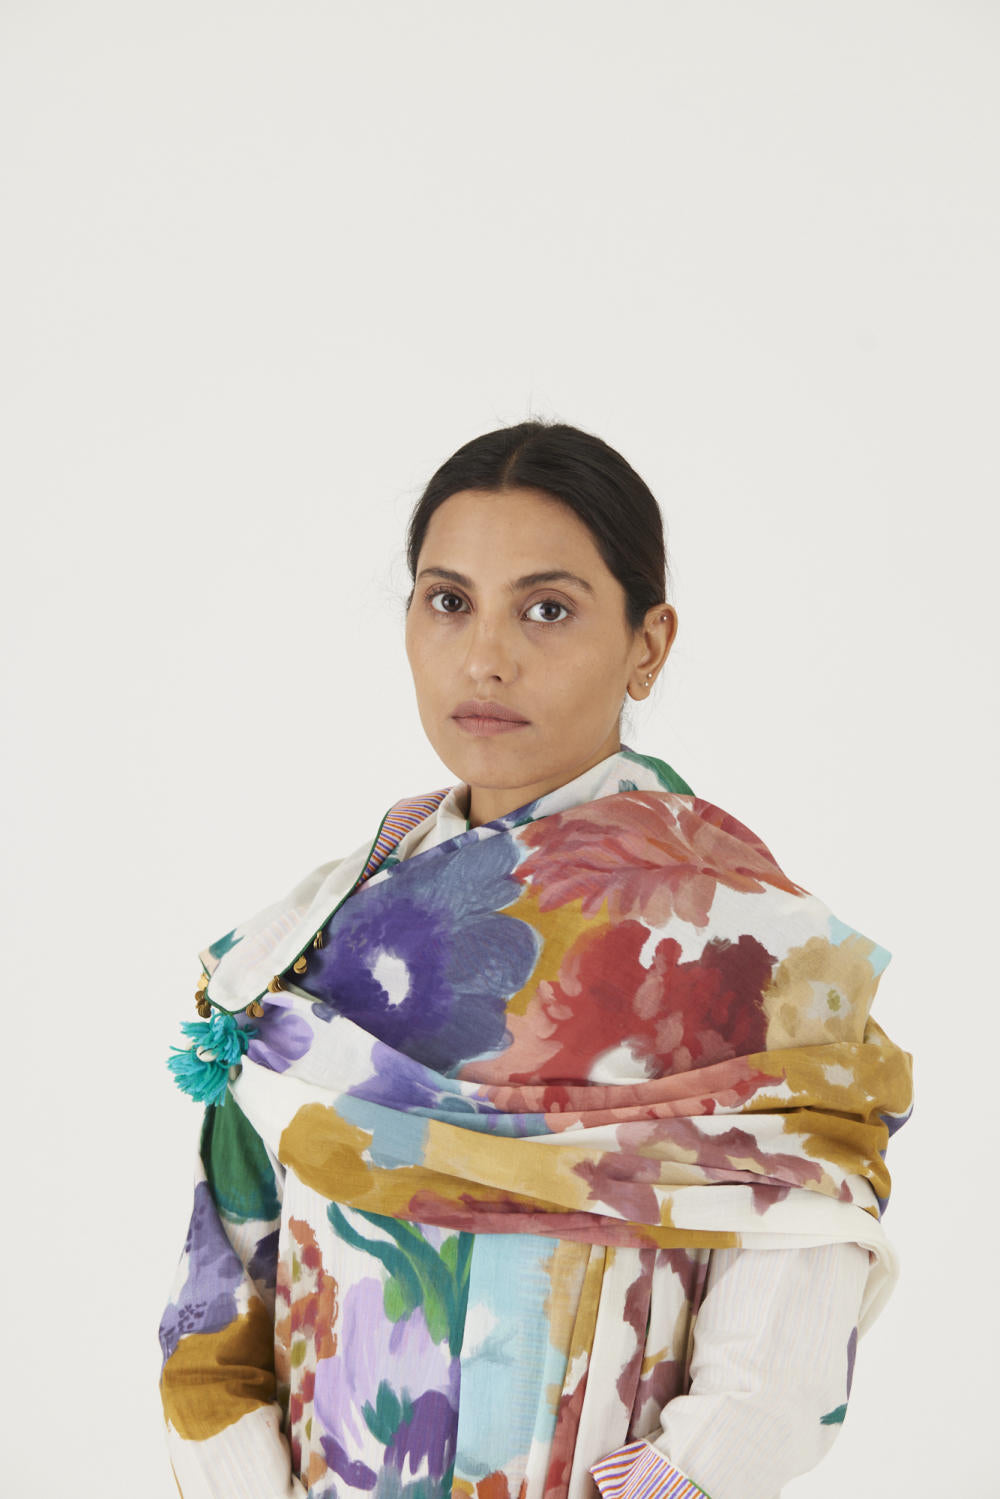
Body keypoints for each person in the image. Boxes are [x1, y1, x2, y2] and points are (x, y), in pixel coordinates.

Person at [158, 420, 913, 1499]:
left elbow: (777, 1353)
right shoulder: (307, 947)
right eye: (448, 600)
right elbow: (220, 1293)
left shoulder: (754, 959)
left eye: (547, 609)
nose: (486, 657)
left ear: (648, 643)